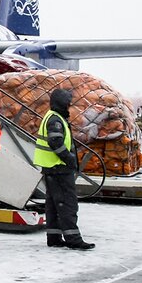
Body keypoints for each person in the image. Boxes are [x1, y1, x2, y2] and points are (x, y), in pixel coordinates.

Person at [33, 89, 95, 250]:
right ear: (62, 103)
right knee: (67, 203)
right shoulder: (55, 120)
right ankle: (73, 238)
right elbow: (56, 142)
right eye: (68, 102)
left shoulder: (53, 116)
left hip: (51, 167)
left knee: (54, 204)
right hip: (58, 167)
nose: (69, 105)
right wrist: (70, 159)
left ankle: (53, 237)